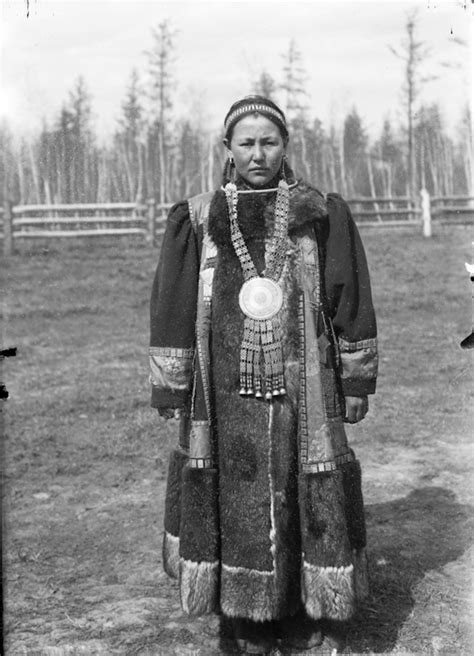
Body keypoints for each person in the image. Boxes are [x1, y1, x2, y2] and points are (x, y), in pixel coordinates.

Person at [149, 96, 378, 654]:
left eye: (269, 142)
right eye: (246, 143)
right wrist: (172, 383)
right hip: (221, 389)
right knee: (236, 491)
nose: (258, 153)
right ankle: (244, 617)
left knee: (305, 480)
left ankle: (311, 601)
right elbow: (174, 305)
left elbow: (348, 294)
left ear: (285, 147)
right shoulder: (198, 218)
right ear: (228, 149)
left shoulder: (319, 213)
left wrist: (354, 378)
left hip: (306, 387)